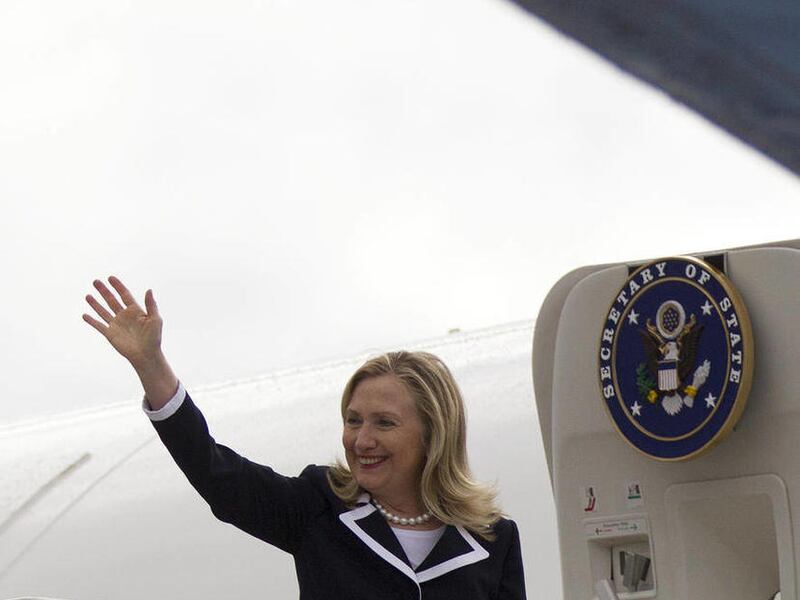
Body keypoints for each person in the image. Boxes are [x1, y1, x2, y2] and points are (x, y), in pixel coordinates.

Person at [83, 276, 526, 599]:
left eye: (383, 423)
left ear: (434, 434)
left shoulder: (493, 539)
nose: (361, 439)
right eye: (353, 421)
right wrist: (151, 365)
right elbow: (216, 473)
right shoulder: (319, 505)